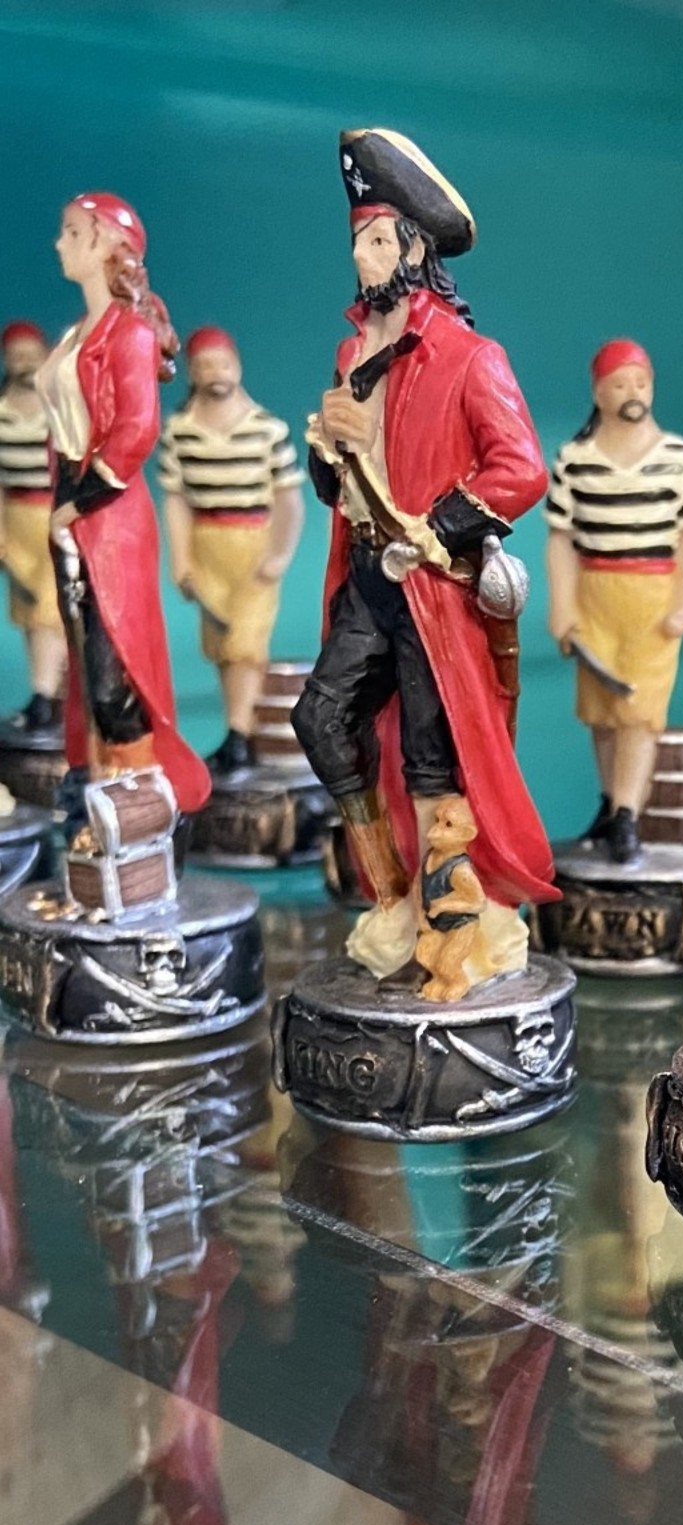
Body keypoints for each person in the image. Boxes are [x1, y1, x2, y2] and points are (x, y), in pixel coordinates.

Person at [294, 127, 556, 985]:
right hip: (371, 579)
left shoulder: (474, 358)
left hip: (432, 588)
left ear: (414, 248)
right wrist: (326, 449)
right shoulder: (353, 353)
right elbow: (339, 487)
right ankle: (387, 889)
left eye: (378, 240)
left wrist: (437, 529)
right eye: (357, 241)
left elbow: (521, 467)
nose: (363, 257)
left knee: (431, 756)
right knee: (322, 719)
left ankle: (447, 910)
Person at [36, 193, 209, 812]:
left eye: (72, 232)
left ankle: (139, 796)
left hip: (107, 515)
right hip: (71, 503)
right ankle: (102, 791)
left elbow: (137, 429)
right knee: (85, 661)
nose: (59, 243)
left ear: (109, 244)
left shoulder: (129, 335)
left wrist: (79, 502)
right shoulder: (75, 335)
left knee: (115, 668)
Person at [545, 340, 683, 863]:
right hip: (595, 596)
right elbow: (561, 542)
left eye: (640, 382)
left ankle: (627, 816)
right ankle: (610, 802)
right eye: (620, 384)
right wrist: (562, 607)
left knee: (640, 713)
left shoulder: (679, 458)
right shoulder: (575, 461)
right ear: (599, 392)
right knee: (602, 713)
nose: (632, 392)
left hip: (651, 602)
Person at [159, 327, 305, 777]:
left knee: (245, 644)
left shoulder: (267, 429)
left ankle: (239, 736)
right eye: (205, 365)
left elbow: (289, 500)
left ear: (237, 367)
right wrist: (180, 558)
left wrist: (280, 554)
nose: (215, 373)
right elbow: (176, 500)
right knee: (222, 647)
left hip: (252, 545)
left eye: (223, 364)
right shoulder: (180, 431)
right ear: (191, 372)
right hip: (208, 545)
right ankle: (237, 731)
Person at [0, 320, 67, 734]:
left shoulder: (59, 408)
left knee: (47, 607)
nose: (25, 364)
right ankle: (43, 690)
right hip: (15, 518)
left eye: (31, 356)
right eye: (16, 357)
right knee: (28, 611)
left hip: (53, 513)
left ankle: (46, 696)